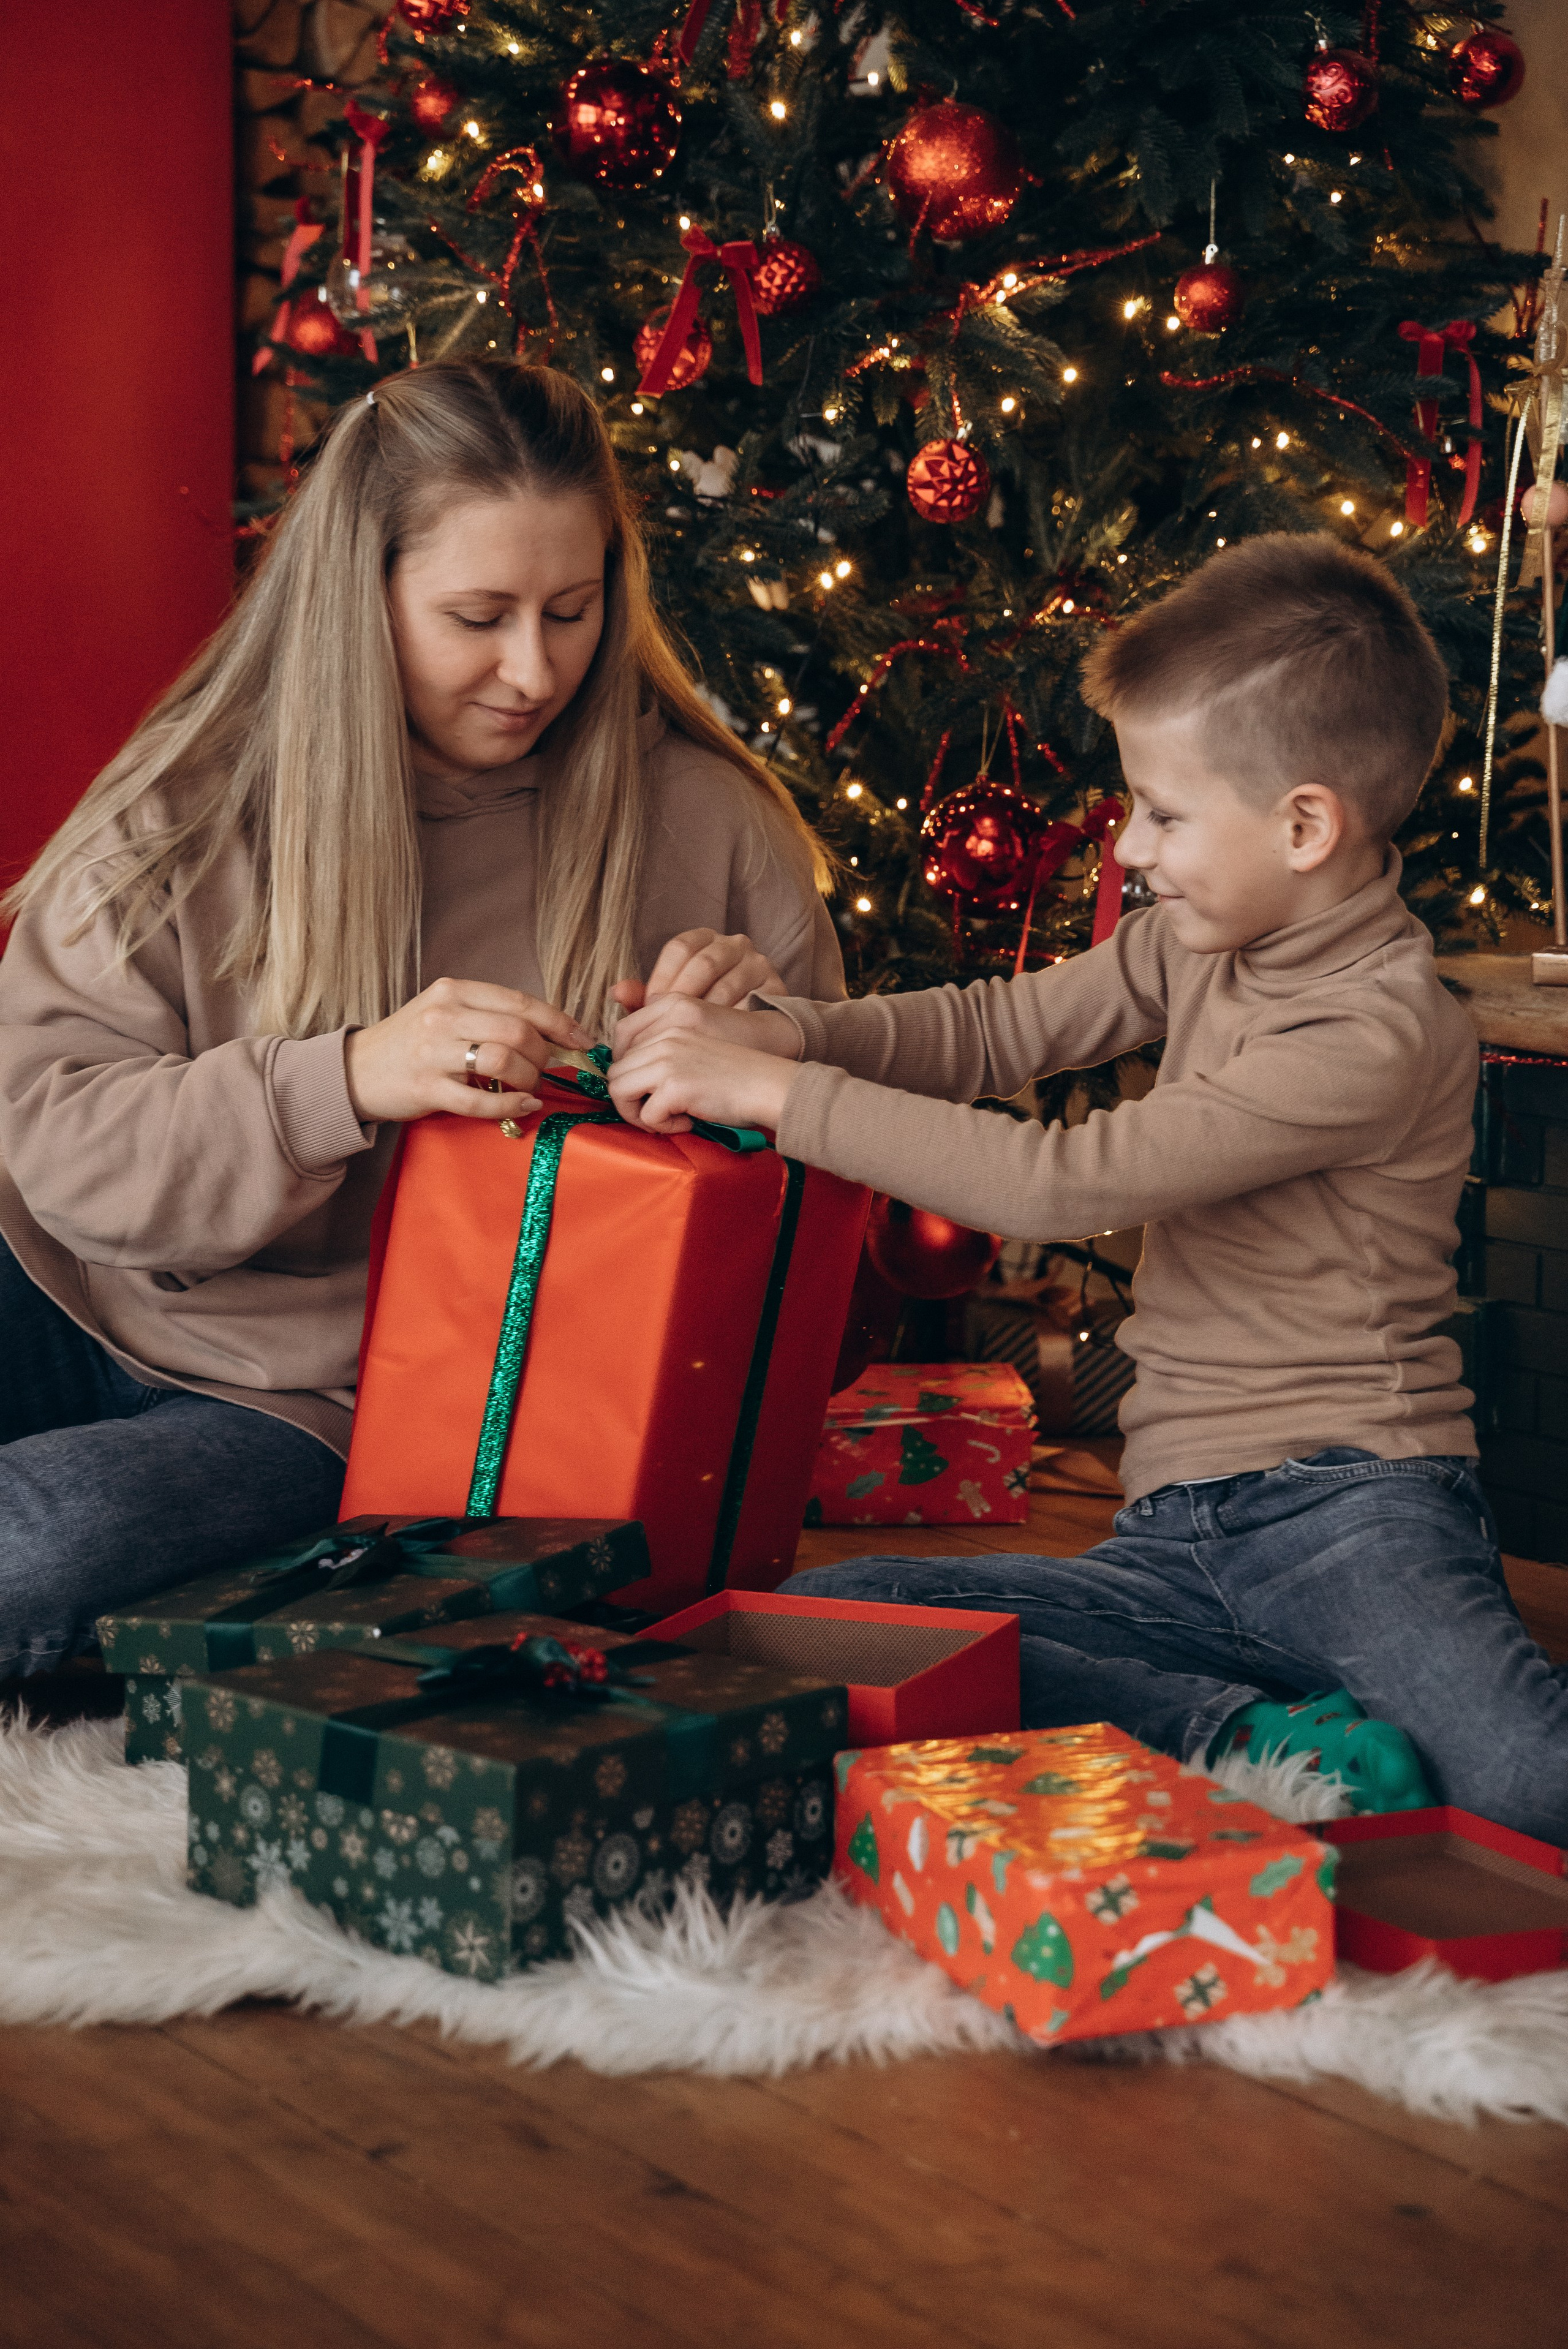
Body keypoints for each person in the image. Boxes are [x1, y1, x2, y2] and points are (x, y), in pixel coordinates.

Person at [609, 532, 1568, 1842]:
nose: (1131, 849)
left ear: (1302, 826)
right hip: (1169, 1533)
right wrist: (788, 1033)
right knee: (834, 1620)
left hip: (1352, 1517)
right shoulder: (1197, 939)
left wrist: (774, 1100)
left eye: (1164, 814)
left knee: (1528, 1786)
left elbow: (1064, 1182)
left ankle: (1287, 1709)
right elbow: (993, 1029)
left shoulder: (1373, 1031)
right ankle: (1240, 1733)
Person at [0, 360, 841, 1682]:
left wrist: (755, 1075)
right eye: (477, 615)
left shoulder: (705, 827)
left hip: (339, 1405)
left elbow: (809, 1264)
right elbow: (63, 1155)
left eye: (570, 611)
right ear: (359, 600)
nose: (534, 669)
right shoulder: (188, 807)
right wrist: (341, 1079)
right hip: (80, 1294)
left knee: (35, 1553)